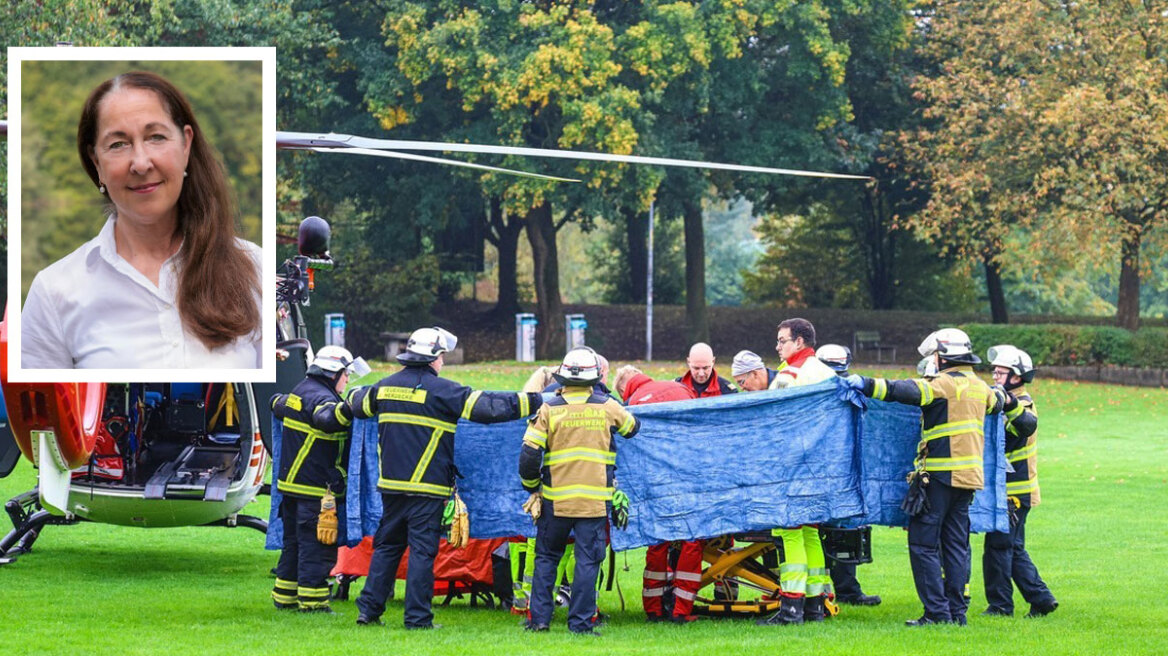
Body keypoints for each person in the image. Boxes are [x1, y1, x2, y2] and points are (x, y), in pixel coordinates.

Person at [21, 70, 262, 369]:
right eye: (118, 144)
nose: (140, 163)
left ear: (186, 145)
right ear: (97, 162)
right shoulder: (54, 292)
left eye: (156, 137)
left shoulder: (253, 268)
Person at [348, 327, 544, 629]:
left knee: (387, 547)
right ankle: (417, 618)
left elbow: (355, 402)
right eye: (442, 357)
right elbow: (489, 408)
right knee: (423, 553)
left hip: (391, 487)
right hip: (427, 489)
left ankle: (369, 611)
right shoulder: (444, 391)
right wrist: (537, 400)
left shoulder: (383, 388)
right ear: (434, 358)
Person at [844, 328, 1005, 626]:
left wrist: (864, 383)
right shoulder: (980, 388)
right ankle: (957, 613)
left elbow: (902, 390)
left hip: (939, 477)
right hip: (968, 480)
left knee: (924, 545)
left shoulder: (943, 384)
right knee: (956, 546)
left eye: (934, 355)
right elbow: (1000, 402)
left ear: (942, 356)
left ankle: (936, 613)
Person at [519, 348, 641, 635]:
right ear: (595, 377)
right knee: (587, 562)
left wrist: (532, 488)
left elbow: (528, 455)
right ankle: (581, 624)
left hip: (555, 502)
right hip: (594, 504)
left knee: (547, 558)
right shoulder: (607, 406)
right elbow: (633, 428)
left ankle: (539, 621)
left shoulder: (549, 408)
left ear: (562, 376)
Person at [610, 365, 707, 623]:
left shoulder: (630, 404)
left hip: (653, 481)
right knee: (691, 540)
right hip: (687, 476)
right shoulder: (680, 388)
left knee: (657, 540)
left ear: (624, 389)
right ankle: (681, 611)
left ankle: (653, 609)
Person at [758, 318, 838, 626]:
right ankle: (815, 607)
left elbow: (773, 420)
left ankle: (791, 610)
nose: (777, 347)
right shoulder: (828, 373)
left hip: (791, 465)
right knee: (811, 533)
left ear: (799, 342)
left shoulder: (789, 375)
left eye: (782, 341)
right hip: (821, 467)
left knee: (789, 532)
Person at [269, 346, 359, 613]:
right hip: (315, 490)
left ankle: (284, 597)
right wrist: (351, 408)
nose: (348, 380)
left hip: (292, 488)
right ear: (333, 374)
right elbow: (326, 418)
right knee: (317, 548)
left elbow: (276, 403)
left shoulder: (300, 390)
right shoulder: (322, 399)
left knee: (293, 544)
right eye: (346, 375)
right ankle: (314, 603)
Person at [982, 345, 1058, 618]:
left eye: (1000, 372)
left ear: (1017, 377)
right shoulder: (1004, 403)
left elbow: (1009, 437)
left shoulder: (1022, 405)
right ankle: (1041, 599)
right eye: (994, 371)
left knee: (999, 548)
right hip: (1010, 490)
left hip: (1013, 491)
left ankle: (1001, 606)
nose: (994, 377)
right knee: (1012, 547)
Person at [815, 344, 882, 607]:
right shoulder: (810, 390)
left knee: (844, 529)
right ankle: (822, 593)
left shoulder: (851, 389)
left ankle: (847, 591)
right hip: (821, 472)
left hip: (843, 472)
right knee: (820, 532)